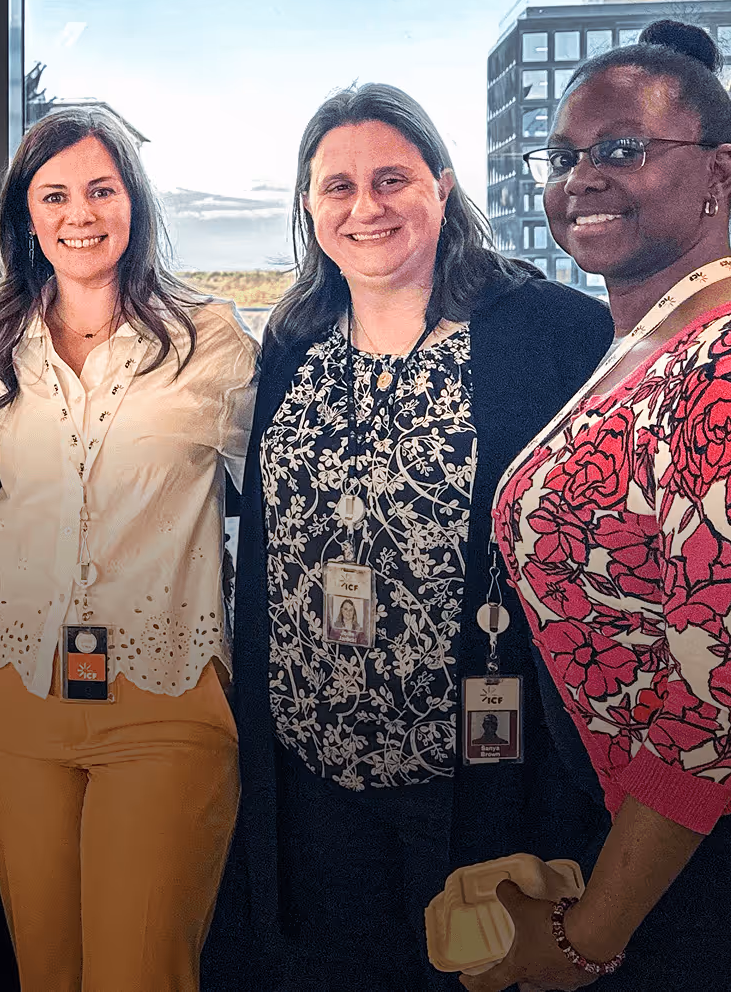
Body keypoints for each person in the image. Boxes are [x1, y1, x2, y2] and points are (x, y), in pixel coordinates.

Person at [217, 82, 613, 992]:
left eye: (392, 178)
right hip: (311, 768)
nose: (366, 206)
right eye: (338, 186)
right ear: (309, 207)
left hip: (474, 776)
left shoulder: (547, 334)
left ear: (442, 184)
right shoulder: (294, 339)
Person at [479, 19, 731, 992]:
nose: (580, 177)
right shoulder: (650, 347)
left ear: (715, 176)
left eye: (621, 149)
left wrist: (589, 933)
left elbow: (718, 701)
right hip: (654, 833)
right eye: (563, 155)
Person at [0, 106, 257, 992]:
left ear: (134, 201)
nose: (79, 213)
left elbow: (300, 489)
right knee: (45, 972)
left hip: (166, 698)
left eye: (101, 188)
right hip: (13, 695)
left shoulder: (212, 339)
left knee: (141, 973)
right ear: (26, 215)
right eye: (54, 194)